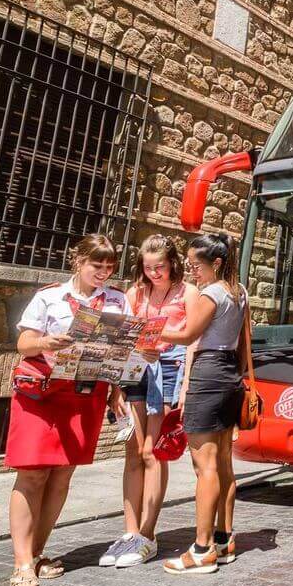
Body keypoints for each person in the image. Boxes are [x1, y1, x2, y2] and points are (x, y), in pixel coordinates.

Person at [6, 234, 129, 586]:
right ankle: (22, 562)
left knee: (61, 477)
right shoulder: (49, 296)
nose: (103, 272)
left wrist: (117, 391)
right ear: (78, 261)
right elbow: (23, 343)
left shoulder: (118, 301)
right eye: (97, 265)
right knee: (32, 475)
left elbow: (119, 352)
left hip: (85, 394)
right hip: (43, 395)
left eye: (109, 267)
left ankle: (38, 553)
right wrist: (46, 342)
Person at [99, 235, 199, 568]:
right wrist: (115, 386)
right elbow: (121, 339)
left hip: (168, 369)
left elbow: (193, 341)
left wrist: (185, 386)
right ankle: (129, 532)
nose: (154, 273)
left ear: (173, 263)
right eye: (148, 267)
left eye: (160, 267)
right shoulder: (134, 293)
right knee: (132, 450)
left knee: (152, 451)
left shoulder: (187, 293)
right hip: (134, 368)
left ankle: (148, 533)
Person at [161, 233, 247, 574]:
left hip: (209, 372)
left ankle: (201, 548)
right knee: (224, 461)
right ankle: (224, 540)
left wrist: (148, 330)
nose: (192, 271)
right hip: (229, 375)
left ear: (216, 263)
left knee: (204, 466)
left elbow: (186, 335)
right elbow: (242, 343)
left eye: (196, 265)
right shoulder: (239, 292)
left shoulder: (212, 293)